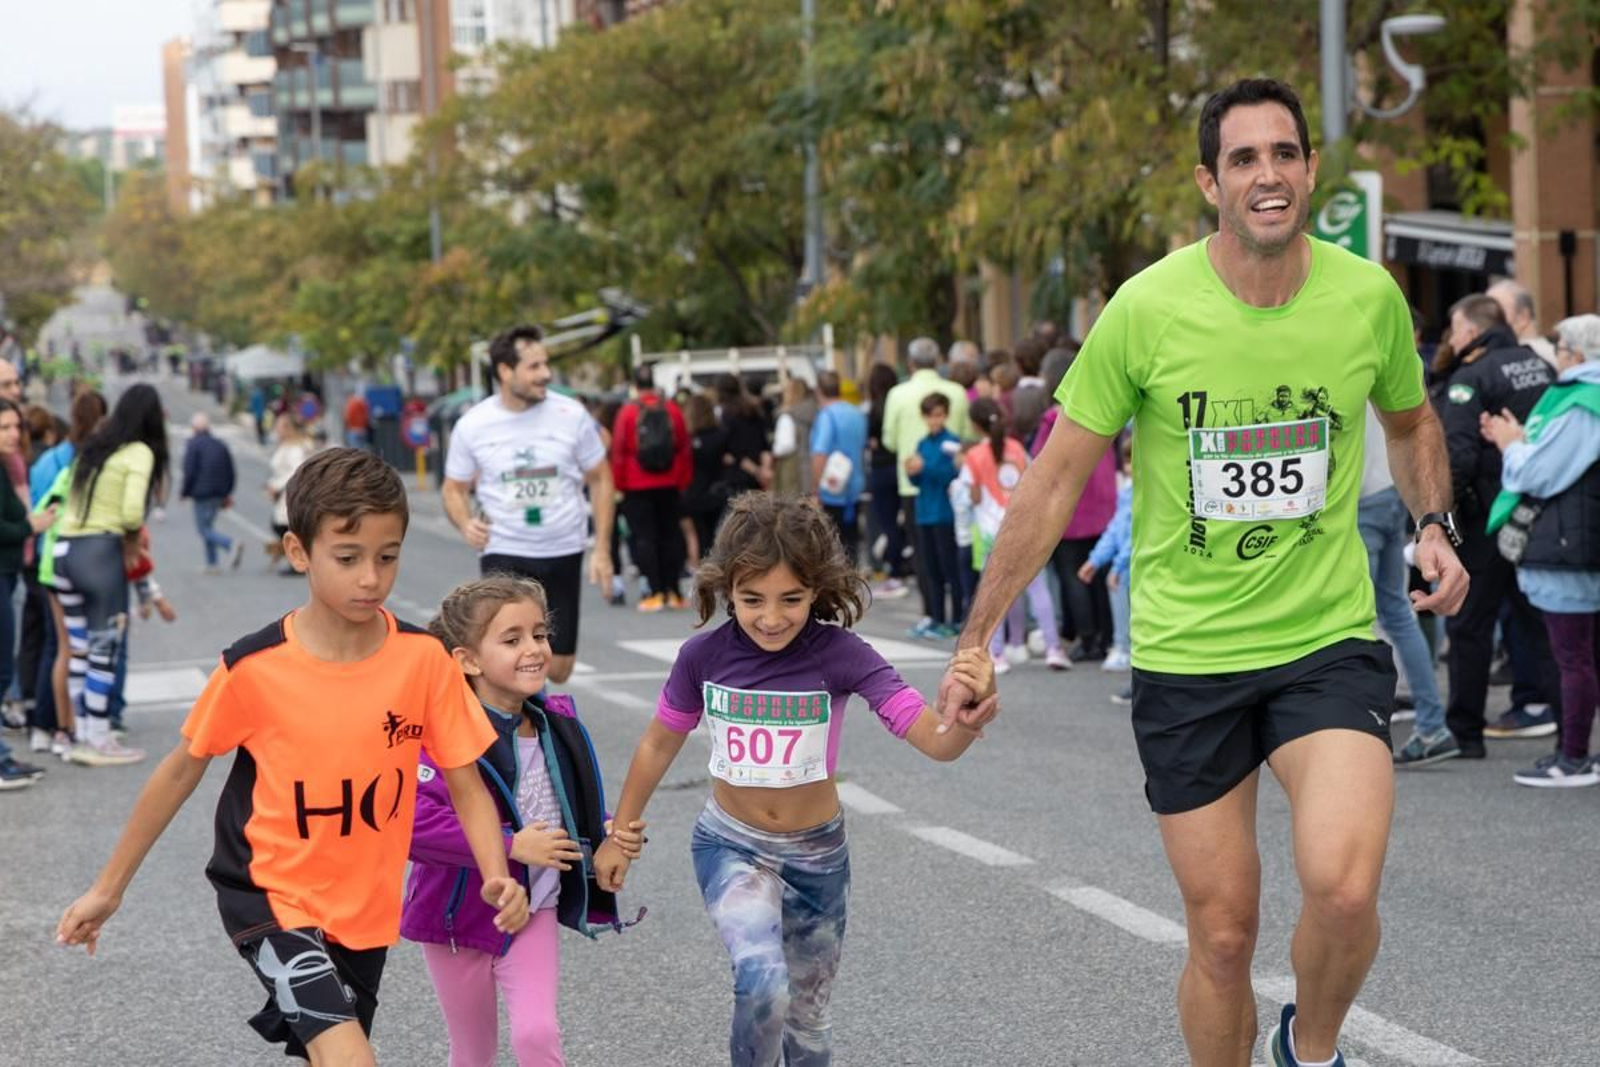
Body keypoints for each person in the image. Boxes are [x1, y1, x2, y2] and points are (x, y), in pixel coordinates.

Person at [936, 80, 1468, 1067]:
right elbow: (1054, 482)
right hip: (1190, 656)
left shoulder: (1367, 297)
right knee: (1224, 933)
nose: (1267, 174)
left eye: (1283, 153)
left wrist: (1434, 524)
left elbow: (1410, 422)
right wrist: (977, 637)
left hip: (1325, 638)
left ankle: (1308, 1048)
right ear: (1208, 182)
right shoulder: (1145, 309)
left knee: (1345, 886)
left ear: (1309, 168)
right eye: (1243, 159)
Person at [56, 448, 531, 1066]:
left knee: (328, 1055)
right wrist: (107, 889)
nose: (370, 578)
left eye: (387, 558)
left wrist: (494, 870)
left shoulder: (422, 661)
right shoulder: (254, 668)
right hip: (269, 891)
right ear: (298, 552)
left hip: (364, 905)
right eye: (348, 557)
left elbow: (465, 780)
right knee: (351, 1057)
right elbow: (180, 770)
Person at [592, 493, 997, 1067]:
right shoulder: (702, 656)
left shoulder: (842, 655)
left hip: (817, 859)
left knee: (806, 1023)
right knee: (761, 984)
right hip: (729, 843)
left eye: (792, 599)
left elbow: (932, 737)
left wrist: (965, 719)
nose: (772, 617)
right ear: (726, 588)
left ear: (817, 589)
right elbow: (659, 741)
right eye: (752, 599)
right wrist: (620, 834)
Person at [404, 575, 645, 1066]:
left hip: (535, 910)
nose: (534, 649)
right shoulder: (439, 735)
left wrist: (608, 839)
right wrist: (511, 845)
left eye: (539, 634)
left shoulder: (558, 726)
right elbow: (414, 825)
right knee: (473, 1053)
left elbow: (566, 804)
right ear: (467, 660)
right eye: (511, 640)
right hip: (455, 921)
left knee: (537, 1035)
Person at [443, 325, 616, 684]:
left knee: (559, 667)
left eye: (545, 364)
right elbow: (454, 487)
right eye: (534, 367)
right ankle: (518, 732)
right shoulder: (473, 424)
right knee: (506, 659)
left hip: (562, 549)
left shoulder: (571, 415)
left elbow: (601, 478)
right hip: (504, 550)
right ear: (506, 372)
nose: (546, 374)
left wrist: (602, 548)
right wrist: (464, 523)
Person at [1436, 294, 1560, 752]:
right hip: (1541, 514)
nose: (1451, 337)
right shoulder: (1540, 366)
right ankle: (1570, 737)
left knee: (1470, 626)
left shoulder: (1470, 378)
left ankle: (1466, 734)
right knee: (1542, 624)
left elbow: (1459, 456)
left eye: (1455, 327)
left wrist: (1442, 521)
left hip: (1488, 520)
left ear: (1471, 331)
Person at [1481, 314, 1600, 786]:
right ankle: (1573, 754)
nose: (1555, 354)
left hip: (1569, 545)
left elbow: (1539, 474)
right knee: (1583, 655)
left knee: (1571, 657)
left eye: (1559, 346)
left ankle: (1571, 758)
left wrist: (1512, 446)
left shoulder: (1582, 402)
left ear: (1574, 353)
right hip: (1580, 541)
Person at [54, 384, 171, 766]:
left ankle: (80, 734)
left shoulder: (96, 444)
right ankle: (101, 739)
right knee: (105, 647)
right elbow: (131, 512)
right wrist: (133, 537)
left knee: (80, 649)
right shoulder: (138, 452)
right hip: (99, 553)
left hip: (63, 551)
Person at [1363, 388, 1454, 766]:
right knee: (1397, 613)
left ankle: (1355, 733)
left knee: (1355, 623)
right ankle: (1432, 724)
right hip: (1386, 493)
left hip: (1356, 500)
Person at [28, 390, 107, 758]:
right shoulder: (83, 462)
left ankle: (62, 727)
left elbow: (41, 504)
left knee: (62, 648)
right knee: (74, 649)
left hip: (49, 560)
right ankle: (71, 727)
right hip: (71, 560)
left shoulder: (51, 459)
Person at [962, 398, 1067, 672]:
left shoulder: (974, 456)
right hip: (1025, 527)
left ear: (975, 425)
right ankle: (1053, 647)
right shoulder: (1018, 449)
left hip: (990, 532)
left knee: (995, 594)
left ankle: (997, 653)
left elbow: (971, 496)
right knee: (1038, 589)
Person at [881, 338, 971, 626]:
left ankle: (944, 614)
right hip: (928, 496)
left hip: (935, 497)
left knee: (933, 559)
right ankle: (936, 616)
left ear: (910, 362)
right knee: (933, 559)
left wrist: (918, 466)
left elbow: (889, 440)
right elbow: (970, 433)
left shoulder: (896, 393)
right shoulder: (957, 391)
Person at [0, 399, 58, 787]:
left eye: (16, 426)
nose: (14, 434)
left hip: (8, 572)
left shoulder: (8, 465)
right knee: (3, 666)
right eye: (5, 427)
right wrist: (31, 526)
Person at [611, 362, 693, 612]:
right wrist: (682, 480)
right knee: (671, 535)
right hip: (669, 482)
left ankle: (654, 592)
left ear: (635, 385)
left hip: (636, 484)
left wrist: (620, 485)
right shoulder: (671, 409)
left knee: (644, 537)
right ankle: (674, 591)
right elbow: (684, 446)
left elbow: (618, 450)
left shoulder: (627, 412)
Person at [905, 393, 965, 639]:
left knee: (949, 568)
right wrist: (910, 471)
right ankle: (937, 617)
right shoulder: (922, 443)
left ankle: (957, 618)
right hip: (925, 513)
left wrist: (924, 467)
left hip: (945, 513)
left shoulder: (952, 443)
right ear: (924, 417)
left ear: (946, 415)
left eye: (939, 415)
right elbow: (916, 480)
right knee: (930, 570)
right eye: (930, 416)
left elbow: (950, 475)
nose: (934, 420)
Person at [1077, 433, 1135, 674]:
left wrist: (1119, 566)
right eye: (1128, 460)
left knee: (1132, 612)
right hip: (1123, 563)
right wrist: (1096, 558)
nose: (1131, 467)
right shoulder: (1127, 492)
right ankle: (1123, 648)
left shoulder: (1147, 493)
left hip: (1134, 564)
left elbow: (1139, 533)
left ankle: (1126, 649)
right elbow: (1115, 528)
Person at [809, 370, 868, 568]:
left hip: (832, 487)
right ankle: (853, 574)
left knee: (832, 540)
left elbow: (820, 453)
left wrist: (815, 489)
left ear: (819, 391)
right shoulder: (856, 413)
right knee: (852, 539)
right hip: (855, 483)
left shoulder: (827, 416)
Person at [864, 363, 911, 598]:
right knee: (904, 521)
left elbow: (872, 441)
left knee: (888, 522)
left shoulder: (874, 409)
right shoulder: (898, 405)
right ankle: (905, 560)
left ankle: (895, 571)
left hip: (881, 469)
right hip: (899, 466)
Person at [180, 413, 243, 574]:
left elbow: (189, 471)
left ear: (194, 428)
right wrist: (227, 492)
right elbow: (231, 471)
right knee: (208, 527)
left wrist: (184, 492)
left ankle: (230, 544)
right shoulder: (220, 444)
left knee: (203, 529)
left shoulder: (193, 444)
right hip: (218, 493)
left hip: (202, 493)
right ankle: (212, 563)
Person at [683, 392, 731, 569]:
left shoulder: (687, 439)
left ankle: (697, 572)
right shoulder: (720, 435)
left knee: (694, 536)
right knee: (714, 536)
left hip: (691, 492)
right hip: (715, 492)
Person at [267, 412, 314, 572]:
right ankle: (296, 559)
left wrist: (277, 486)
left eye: (279, 426)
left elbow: (295, 470)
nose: (276, 429)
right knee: (283, 526)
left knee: (286, 527)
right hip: (283, 494)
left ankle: (299, 562)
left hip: (291, 493)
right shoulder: (285, 445)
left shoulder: (296, 448)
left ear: (288, 429)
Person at [715, 373, 772, 494]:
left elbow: (734, 451)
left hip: (738, 476)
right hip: (756, 474)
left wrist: (757, 471)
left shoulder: (727, 414)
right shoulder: (754, 411)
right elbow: (764, 445)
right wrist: (764, 470)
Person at [1486, 279, 1557, 368]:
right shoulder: (1553, 354)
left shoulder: (1504, 357)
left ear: (1523, 317)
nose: (1486, 321)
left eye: (1497, 312)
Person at [771, 377, 818, 497]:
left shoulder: (788, 416)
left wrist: (773, 451)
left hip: (793, 469)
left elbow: (785, 446)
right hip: (812, 467)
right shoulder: (816, 411)